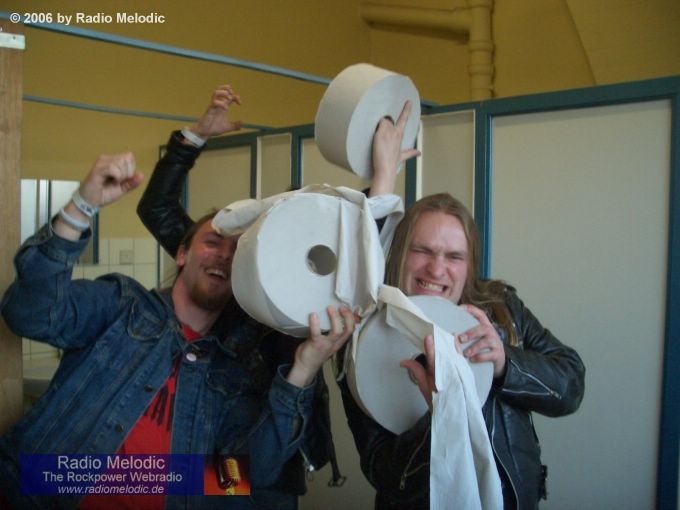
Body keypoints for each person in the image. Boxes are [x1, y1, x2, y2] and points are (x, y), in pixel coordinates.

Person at [0, 152, 356, 510]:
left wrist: (304, 368)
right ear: (182, 254)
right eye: (213, 242)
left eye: (237, 252)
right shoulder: (122, 307)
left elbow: (248, 476)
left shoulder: (233, 373)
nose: (224, 255)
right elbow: (29, 314)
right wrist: (81, 207)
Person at [135, 85, 420, 503]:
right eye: (214, 243)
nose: (225, 255)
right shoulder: (226, 274)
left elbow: (355, 256)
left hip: (271, 467)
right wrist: (194, 137)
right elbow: (157, 208)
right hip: (203, 452)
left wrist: (383, 179)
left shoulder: (309, 295)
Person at [338, 193, 586, 509]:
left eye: (454, 256)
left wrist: (506, 364)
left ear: (469, 266)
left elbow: (571, 386)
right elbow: (385, 475)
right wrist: (441, 415)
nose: (437, 270)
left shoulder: (503, 309)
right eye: (422, 251)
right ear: (399, 253)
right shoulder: (363, 340)